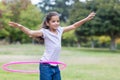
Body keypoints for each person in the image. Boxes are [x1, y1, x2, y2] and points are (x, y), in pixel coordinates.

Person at [9, 11, 96, 80]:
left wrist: (86, 19)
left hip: (55, 65)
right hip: (45, 66)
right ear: (47, 23)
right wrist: (20, 26)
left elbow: (74, 26)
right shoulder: (44, 32)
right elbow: (30, 33)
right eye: (53, 21)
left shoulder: (60, 30)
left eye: (58, 21)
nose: (56, 23)